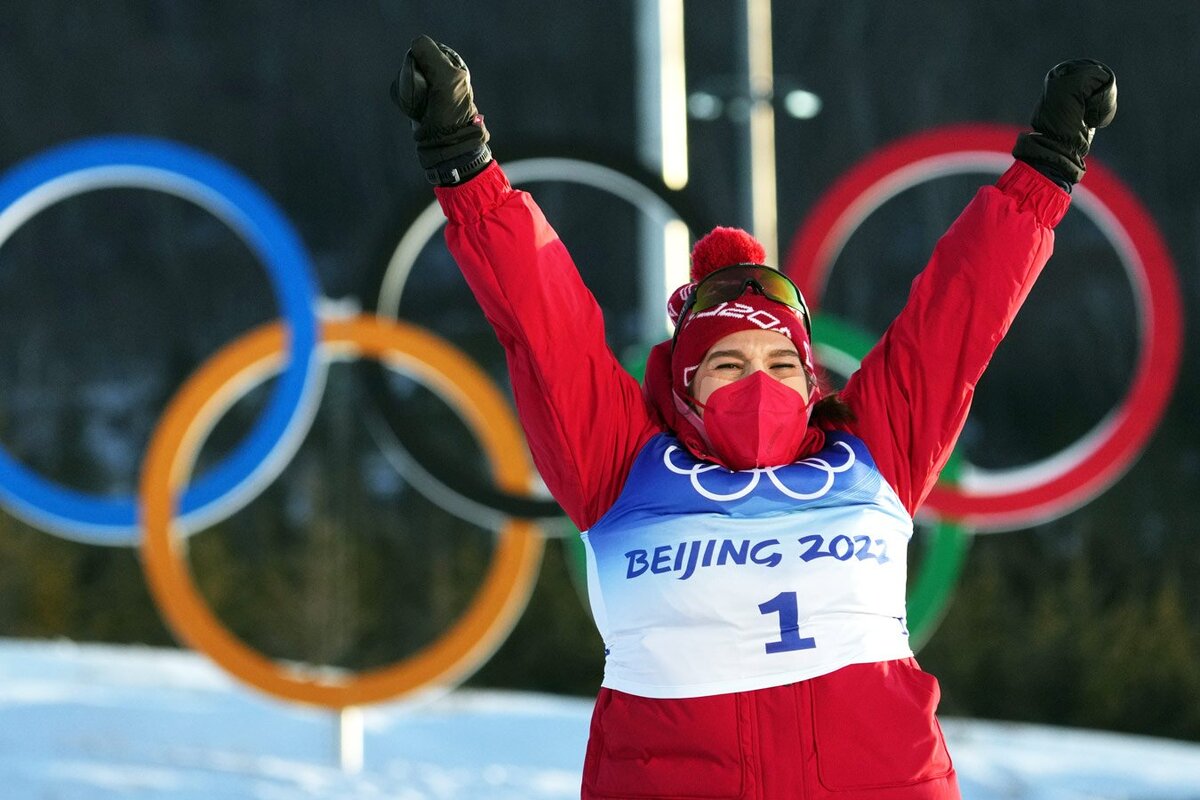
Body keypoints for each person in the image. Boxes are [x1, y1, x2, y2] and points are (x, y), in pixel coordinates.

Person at [391, 36, 1116, 800]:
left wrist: (1048, 167)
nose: (757, 384)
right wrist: (463, 159)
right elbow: (545, 326)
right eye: (729, 366)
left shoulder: (874, 452)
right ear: (685, 383)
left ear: (811, 378)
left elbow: (958, 317)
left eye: (778, 365)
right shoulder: (618, 467)